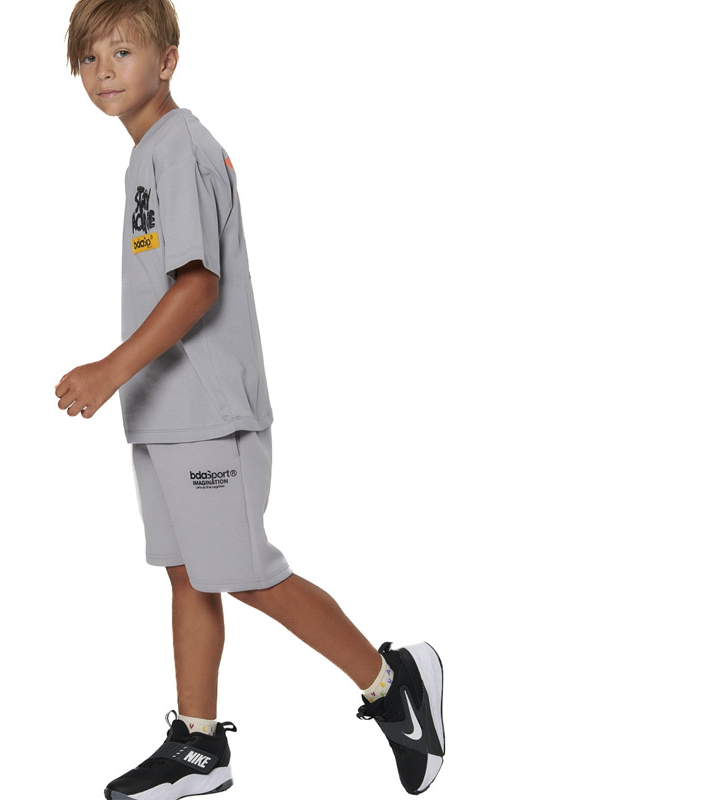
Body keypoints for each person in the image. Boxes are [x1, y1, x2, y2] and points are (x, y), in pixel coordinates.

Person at [55, 2, 445, 797]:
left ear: (167, 61)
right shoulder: (149, 154)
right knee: (187, 574)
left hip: (207, 411)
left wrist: (109, 370)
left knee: (244, 572)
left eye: (122, 52)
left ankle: (392, 685)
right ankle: (199, 746)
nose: (103, 72)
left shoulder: (180, 148)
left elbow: (198, 287)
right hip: (166, 414)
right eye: (89, 58)